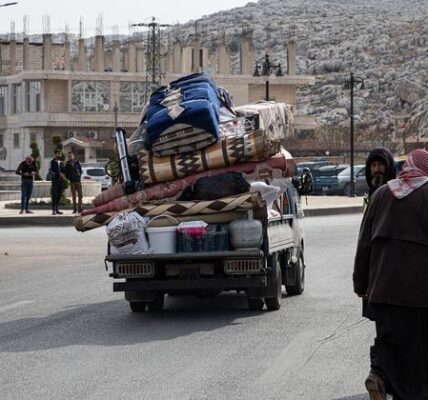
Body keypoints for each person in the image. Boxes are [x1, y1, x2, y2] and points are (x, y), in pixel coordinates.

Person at [353, 149, 428, 400]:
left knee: (388, 339)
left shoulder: (381, 194)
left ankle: (379, 375)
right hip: (419, 293)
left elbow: (364, 243)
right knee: (416, 353)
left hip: (382, 289)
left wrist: (360, 283)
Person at [362, 147, 396, 320]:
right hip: (375, 271)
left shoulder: (396, 194)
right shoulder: (371, 195)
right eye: (373, 165)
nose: (377, 169)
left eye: (381, 165)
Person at [49, 149, 65, 215]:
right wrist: (54, 173)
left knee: (59, 194)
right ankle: (53, 210)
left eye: (60, 153)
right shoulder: (52, 161)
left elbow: (63, 170)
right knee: (54, 195)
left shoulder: (61, 162)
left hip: (60, 180)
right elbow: (50, 171)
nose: (59, 154)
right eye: (58, 153)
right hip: (55, 180)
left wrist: (63, 174)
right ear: (55, 154)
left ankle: (57, 209)